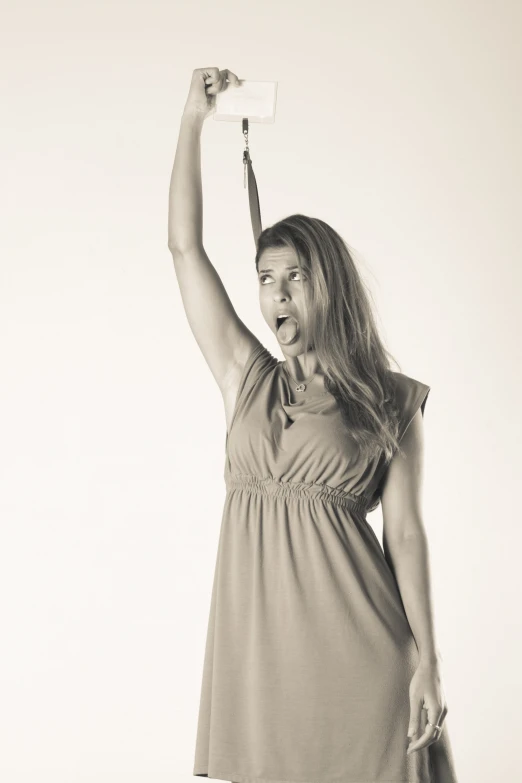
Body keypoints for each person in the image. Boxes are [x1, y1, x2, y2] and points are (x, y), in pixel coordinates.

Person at [168, 67, 459, 783]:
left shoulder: (390, 399)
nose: (276, 293)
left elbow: (408, 535)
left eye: (294, 276)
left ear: (327, 284)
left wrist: (427, 660)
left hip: (362, 659)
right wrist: (190, 122)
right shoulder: (247, 378)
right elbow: (183, 249)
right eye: (266, 278)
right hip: (261, 660)